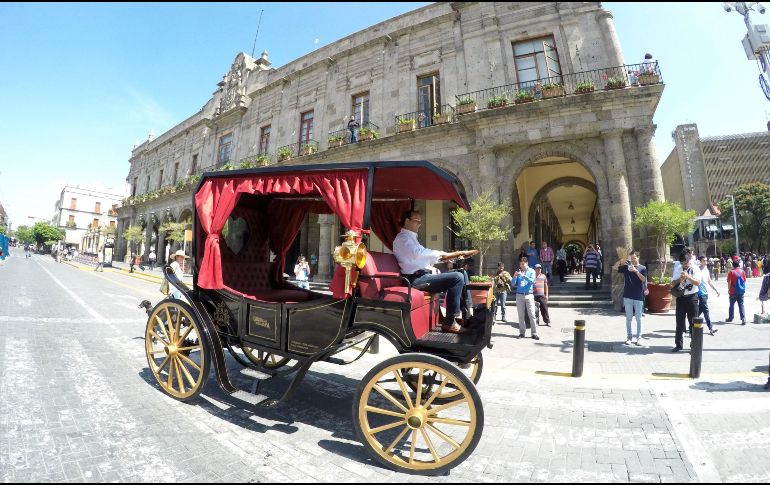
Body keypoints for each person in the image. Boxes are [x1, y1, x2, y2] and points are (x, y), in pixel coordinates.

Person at [392, 210, 478, 333]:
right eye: (417, 221)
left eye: (420, 222)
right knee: (457, 277)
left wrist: (451, 257)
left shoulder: (411, 239)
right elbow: (419, 255)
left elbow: (424, 259)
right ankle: (449, 322)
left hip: (422, 275)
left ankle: (465, 315)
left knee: (462, 273)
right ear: (407, 221)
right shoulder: (402, 239)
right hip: (414, 279)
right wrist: (447, 255)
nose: (419, 225)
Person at [613, 249, 647, 346]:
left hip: (638, 296)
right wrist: (620, 261)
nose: (632, 260)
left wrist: (636, 271)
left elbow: (643, 279)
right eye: (631, 258)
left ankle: (639, 337)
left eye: (634, 258)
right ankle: (629, 337)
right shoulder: (626, 267)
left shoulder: (642, 268)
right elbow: (614, 268)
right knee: (628, 318)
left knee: (639, 318)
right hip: (627, 296)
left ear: (638, 257)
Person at [671, 252, 701, 352]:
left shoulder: (695, 268)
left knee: (693, 321)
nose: (684, 264)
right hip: (681, 298)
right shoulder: (678, 268)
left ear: (689, 260)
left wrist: (688, 277)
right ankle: (678, 344)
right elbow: (672, 283)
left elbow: (698, 283)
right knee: (679, 322)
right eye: (682, 263)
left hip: (692, 297)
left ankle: (694, 344)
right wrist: (680, 279)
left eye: (686, 262)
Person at [513, 256, 539, 340]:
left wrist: (524, 276)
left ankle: (534, 333)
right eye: (520, 264)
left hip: (529, 295)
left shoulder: (532, 271)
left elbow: (532, 281)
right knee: (521, 315)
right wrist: (514, 276)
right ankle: (522, 332)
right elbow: (513, 284)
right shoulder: (519, 272)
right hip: (519, 295)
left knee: (532, 314)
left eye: (523, 264)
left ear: (527, 263)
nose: (521, 266)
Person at [697, 255, 720, 336]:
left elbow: (709, 282)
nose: (706, 262)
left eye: (706, 260)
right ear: (700, 261)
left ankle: (690, 324)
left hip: (706, 293)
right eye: (704, 260)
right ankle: (711, 327)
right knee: (706, 310)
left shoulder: (706, 270)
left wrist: (716, 290)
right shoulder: (697, 270)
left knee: (698, 312)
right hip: (700, 293)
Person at [726, 259, 747, 325]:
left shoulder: (731, 272)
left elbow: (729, 282)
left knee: (731, 305)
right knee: (741, 305)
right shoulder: (742, 271)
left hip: (733, 291)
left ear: (733, 265)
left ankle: (731, 318)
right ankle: (743, 318)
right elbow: (744, 280)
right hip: (741, 291)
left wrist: (729, 289)